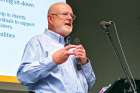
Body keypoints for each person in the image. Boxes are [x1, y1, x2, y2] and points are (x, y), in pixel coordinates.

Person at [17, 2, 96, 93]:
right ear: (51, 19)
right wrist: (53, 60)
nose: (70, 18)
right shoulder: (37, 42)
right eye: (65, 14)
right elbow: (23, 76)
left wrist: (85, 63)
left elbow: (91, 83)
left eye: (72, 16)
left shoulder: (72, 49)